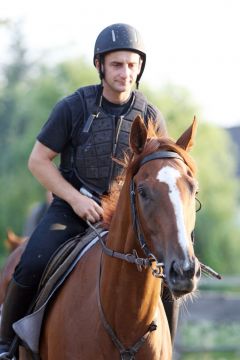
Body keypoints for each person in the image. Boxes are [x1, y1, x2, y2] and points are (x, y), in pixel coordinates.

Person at [0, 23, 177, 357]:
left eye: (131, 65)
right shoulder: (73, 107)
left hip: (128, 219)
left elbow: (157, 173)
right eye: (116, 64)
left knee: (166, 274)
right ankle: (6, 346)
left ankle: (168, 347)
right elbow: (38, 161)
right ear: (100, 66)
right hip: (72, 207)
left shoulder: (151, 114)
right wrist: (75, 198)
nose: (125, 72)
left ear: (139, 67)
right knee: (31, 262)